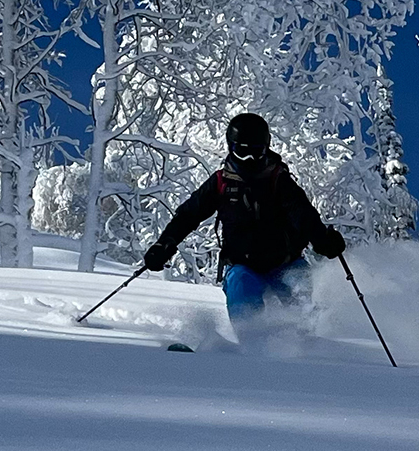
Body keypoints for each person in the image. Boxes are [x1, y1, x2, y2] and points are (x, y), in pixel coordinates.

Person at [144, 113, 347, 321]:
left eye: (256, 152)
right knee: (242, 290)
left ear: (266, 147)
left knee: (301, 302)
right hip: (243, 267)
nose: (249, 159)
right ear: (231, 147)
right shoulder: (221, 183)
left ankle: (310, 343)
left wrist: (322, 239)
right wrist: (165, 244)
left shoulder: (279, 180)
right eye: (242, 151)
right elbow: (188, 215)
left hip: (286, 264)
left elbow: (302, 213)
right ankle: (251, 345)